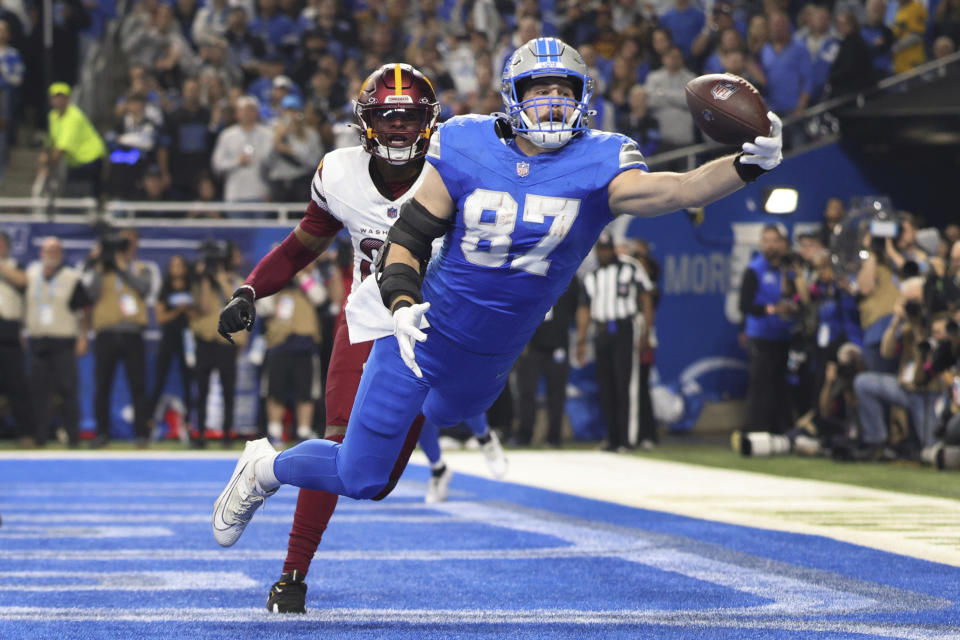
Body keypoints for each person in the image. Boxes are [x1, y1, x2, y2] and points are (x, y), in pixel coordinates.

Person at [213, 37, 782, 566]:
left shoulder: (603, 158)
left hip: (491, 353)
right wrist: (403, 302)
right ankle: (266, 467)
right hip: (419, 331)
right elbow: (407, 238)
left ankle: (387, 433)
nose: (554, 102)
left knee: (452, 414)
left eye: (566, 90)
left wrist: (745, 165)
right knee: (363, 476)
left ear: (586, 100)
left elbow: (676, 189)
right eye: (540, 89)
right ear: (513, 96)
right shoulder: (465, 142)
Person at [214, 63, 502, 614]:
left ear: (430, 121)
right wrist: (251, 289)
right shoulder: (340, 173)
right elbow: (303, 244)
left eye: (410, 117)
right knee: (340, 443)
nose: (397, 129)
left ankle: (268, 468)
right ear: (364, 123)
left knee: (374, 480)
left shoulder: (459, 170)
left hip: (433, 334)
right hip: (369, 326)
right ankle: (291, 576)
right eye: (387, 117)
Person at [576, 234, 653, 451]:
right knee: (606, 386)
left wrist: (646, 332)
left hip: (624, 329)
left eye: (608, 250)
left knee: (625, 385)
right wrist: (581, 341)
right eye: (601, 250)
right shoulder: (591, 276)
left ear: (614, 250)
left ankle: (627, 439)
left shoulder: (630, 268)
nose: (604, 254)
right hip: (601, 331)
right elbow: (584, 308)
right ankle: (611, 438)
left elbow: (646, 298)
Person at [84, 228, 153, 447]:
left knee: (138, 385)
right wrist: (99, 264)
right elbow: (91, 294)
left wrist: (122, 267)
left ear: (135, 246)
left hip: (132, 332)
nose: (124, 248)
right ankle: (102, 433)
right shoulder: (102, 269)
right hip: (106, 332)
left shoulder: (142, 268)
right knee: (103, 385)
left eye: (128, 243)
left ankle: (142, 434)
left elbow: (144, 288)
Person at [739, 224, 808, 434]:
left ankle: (782, 432)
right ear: (760, 244)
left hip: (786, 335)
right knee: (762, 385)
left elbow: (802, 297)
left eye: (774, 241)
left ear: (783, 243)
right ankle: (758, 431)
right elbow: (744, 305)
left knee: (783, 386)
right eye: (766, 241)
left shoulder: (791, 269)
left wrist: (793, 307)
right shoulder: (754, 269)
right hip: (762, 336)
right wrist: (772, 309)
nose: (770, 246)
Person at [25, 237, 91, 447]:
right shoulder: (31, 274)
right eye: (47, 249)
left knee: (67, 389)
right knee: (39, 392)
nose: (51, 253)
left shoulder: (71, 277)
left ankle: (73, 436)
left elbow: (85, 309)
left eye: (55, 250)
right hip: (38, 341)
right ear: (40, 252)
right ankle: (40, 436)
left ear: (61, 253)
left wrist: (83, 336)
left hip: (63, 340)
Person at [513, 275, 581, 447]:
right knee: (526, 392)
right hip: (532, 345)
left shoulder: (570, 277)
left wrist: (579, 336)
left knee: (556, 394)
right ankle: (524, 435)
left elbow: (579, 307)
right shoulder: (531, 273)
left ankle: (554, 437)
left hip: (558, 344)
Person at [190, 241, 245, 447]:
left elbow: (235, 302)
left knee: (228, 390)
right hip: (205, 341)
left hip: (226, 342)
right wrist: (205, 280)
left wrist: (222, 280)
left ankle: (227, 435)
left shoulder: (235, 281)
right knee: (202, 390)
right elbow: (203, 307)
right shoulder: (200, 283)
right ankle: (201, 434)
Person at [39, 82, 107, 198]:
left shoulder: (74, 117)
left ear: (68, 99)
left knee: (82, 195)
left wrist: (46, 164)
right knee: (73, 196)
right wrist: (44, 155)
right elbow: (50, 140)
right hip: (76, 161)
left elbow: (61, 149)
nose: (58, 100)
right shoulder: (52, 116)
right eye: (55, 97)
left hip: (91, 158)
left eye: (61, 97)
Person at [148, 255, 194, 425]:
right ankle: (150, 419)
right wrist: (177, 310)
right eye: (174, 265)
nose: (177, 269)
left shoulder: (192, 287)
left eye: (180, 265)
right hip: (169, 337)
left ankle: (190, 422)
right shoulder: (165, 289)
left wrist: (187, 310)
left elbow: (197, 315)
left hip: (187, 338)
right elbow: (160, 318)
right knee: (159, 378)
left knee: (188, 379)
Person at [0, 229, 32, 444]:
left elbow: (23, 282)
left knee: (16, 386)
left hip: (9, 330)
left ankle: (25, 432)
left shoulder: (16, 266)